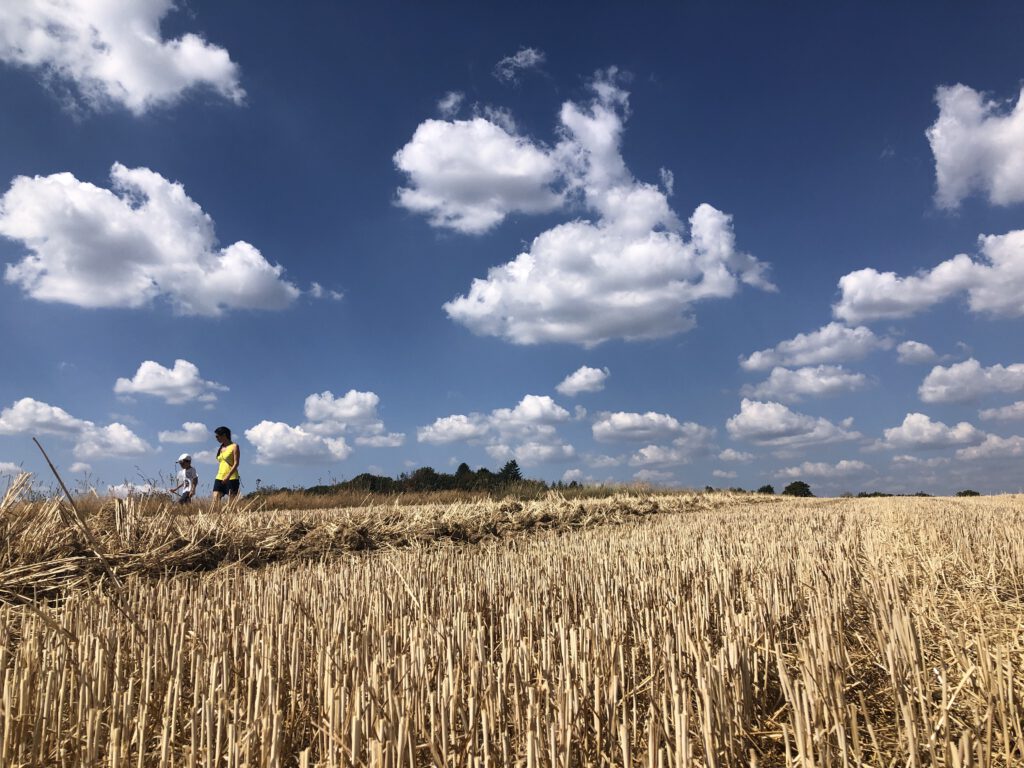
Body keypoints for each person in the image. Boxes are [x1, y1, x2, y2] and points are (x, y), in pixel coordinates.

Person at [212, 426, 240, 503]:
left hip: (232, 477)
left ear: (224, 435)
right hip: (219, 476)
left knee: (231, 502)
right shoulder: (220, 448)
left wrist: (228, 476)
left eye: (217, 436)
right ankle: (217, 514)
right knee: (215, 500)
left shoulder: (234, 446)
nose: (216, 438)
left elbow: (236, 463)